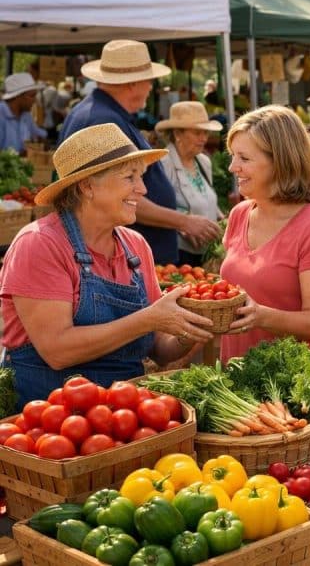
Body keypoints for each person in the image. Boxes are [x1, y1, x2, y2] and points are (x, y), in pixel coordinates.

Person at [0, 124, 214, 407]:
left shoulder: (135, 247)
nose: (142, 189)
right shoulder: (40, 244)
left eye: (141, 176)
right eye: (130, 177)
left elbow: (159, 350)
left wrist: (193, 327)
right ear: (87, 186)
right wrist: (149, 318)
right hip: (49, 420)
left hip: (123, 417)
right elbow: (57, 350)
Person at [60, 40, 220, 265]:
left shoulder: (102, 113)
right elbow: (117, 193)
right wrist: (183, 222)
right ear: (132, 84)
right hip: (123, 257)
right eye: (149, 81)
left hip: (133, 253)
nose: (151, 87)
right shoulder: (103, 119)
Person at [217, 106, 310, 362]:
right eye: (233, 156)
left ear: (280, 162)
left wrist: (260, 316)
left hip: (295, 383)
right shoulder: (239, 215)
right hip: (238, 376)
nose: (233, 167)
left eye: (244, 158)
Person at [155, 102, 223, 268]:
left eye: (205, 132)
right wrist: (182, 224)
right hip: (177, 257)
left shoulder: (204, 161)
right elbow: (154, 207)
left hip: (206, 254)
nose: (204, 138)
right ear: (178, 133)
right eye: (197, 133)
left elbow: (207, 197)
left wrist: (223, 219)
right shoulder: (163, 163)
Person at [1, 73, 46, 153]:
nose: (34, 100)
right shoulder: (2, 115)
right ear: (18, 96)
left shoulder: (26, 115)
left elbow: (39, 134)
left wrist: (40, 140)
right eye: (32, 96)